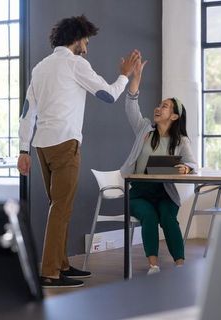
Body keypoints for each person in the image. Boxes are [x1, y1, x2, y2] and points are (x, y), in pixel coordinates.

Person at [18, 15, 140, 288]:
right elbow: (109, 95)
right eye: (86, 39)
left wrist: (23, 149)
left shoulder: (41, 67)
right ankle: (50, 272)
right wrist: (125, 74)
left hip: (42, 146)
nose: (87, 45)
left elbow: (28, 112)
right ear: (76, 38)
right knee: (61, 208)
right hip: (65, 143)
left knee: (59, 206)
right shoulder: (76, 64)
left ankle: (61, 264)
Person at [120, 56, 197, 275]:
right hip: (138, 193)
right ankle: (153, 265)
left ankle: (180, 265)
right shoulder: (144, 130)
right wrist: (136, 77)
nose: (158, 108)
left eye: (164, 107)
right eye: (159, 105)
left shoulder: (181, 141)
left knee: (167, 218)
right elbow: (131, 105)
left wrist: (186, 168)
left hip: (165, 193)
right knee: (149, 217)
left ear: (174, 116)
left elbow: (192, 163)